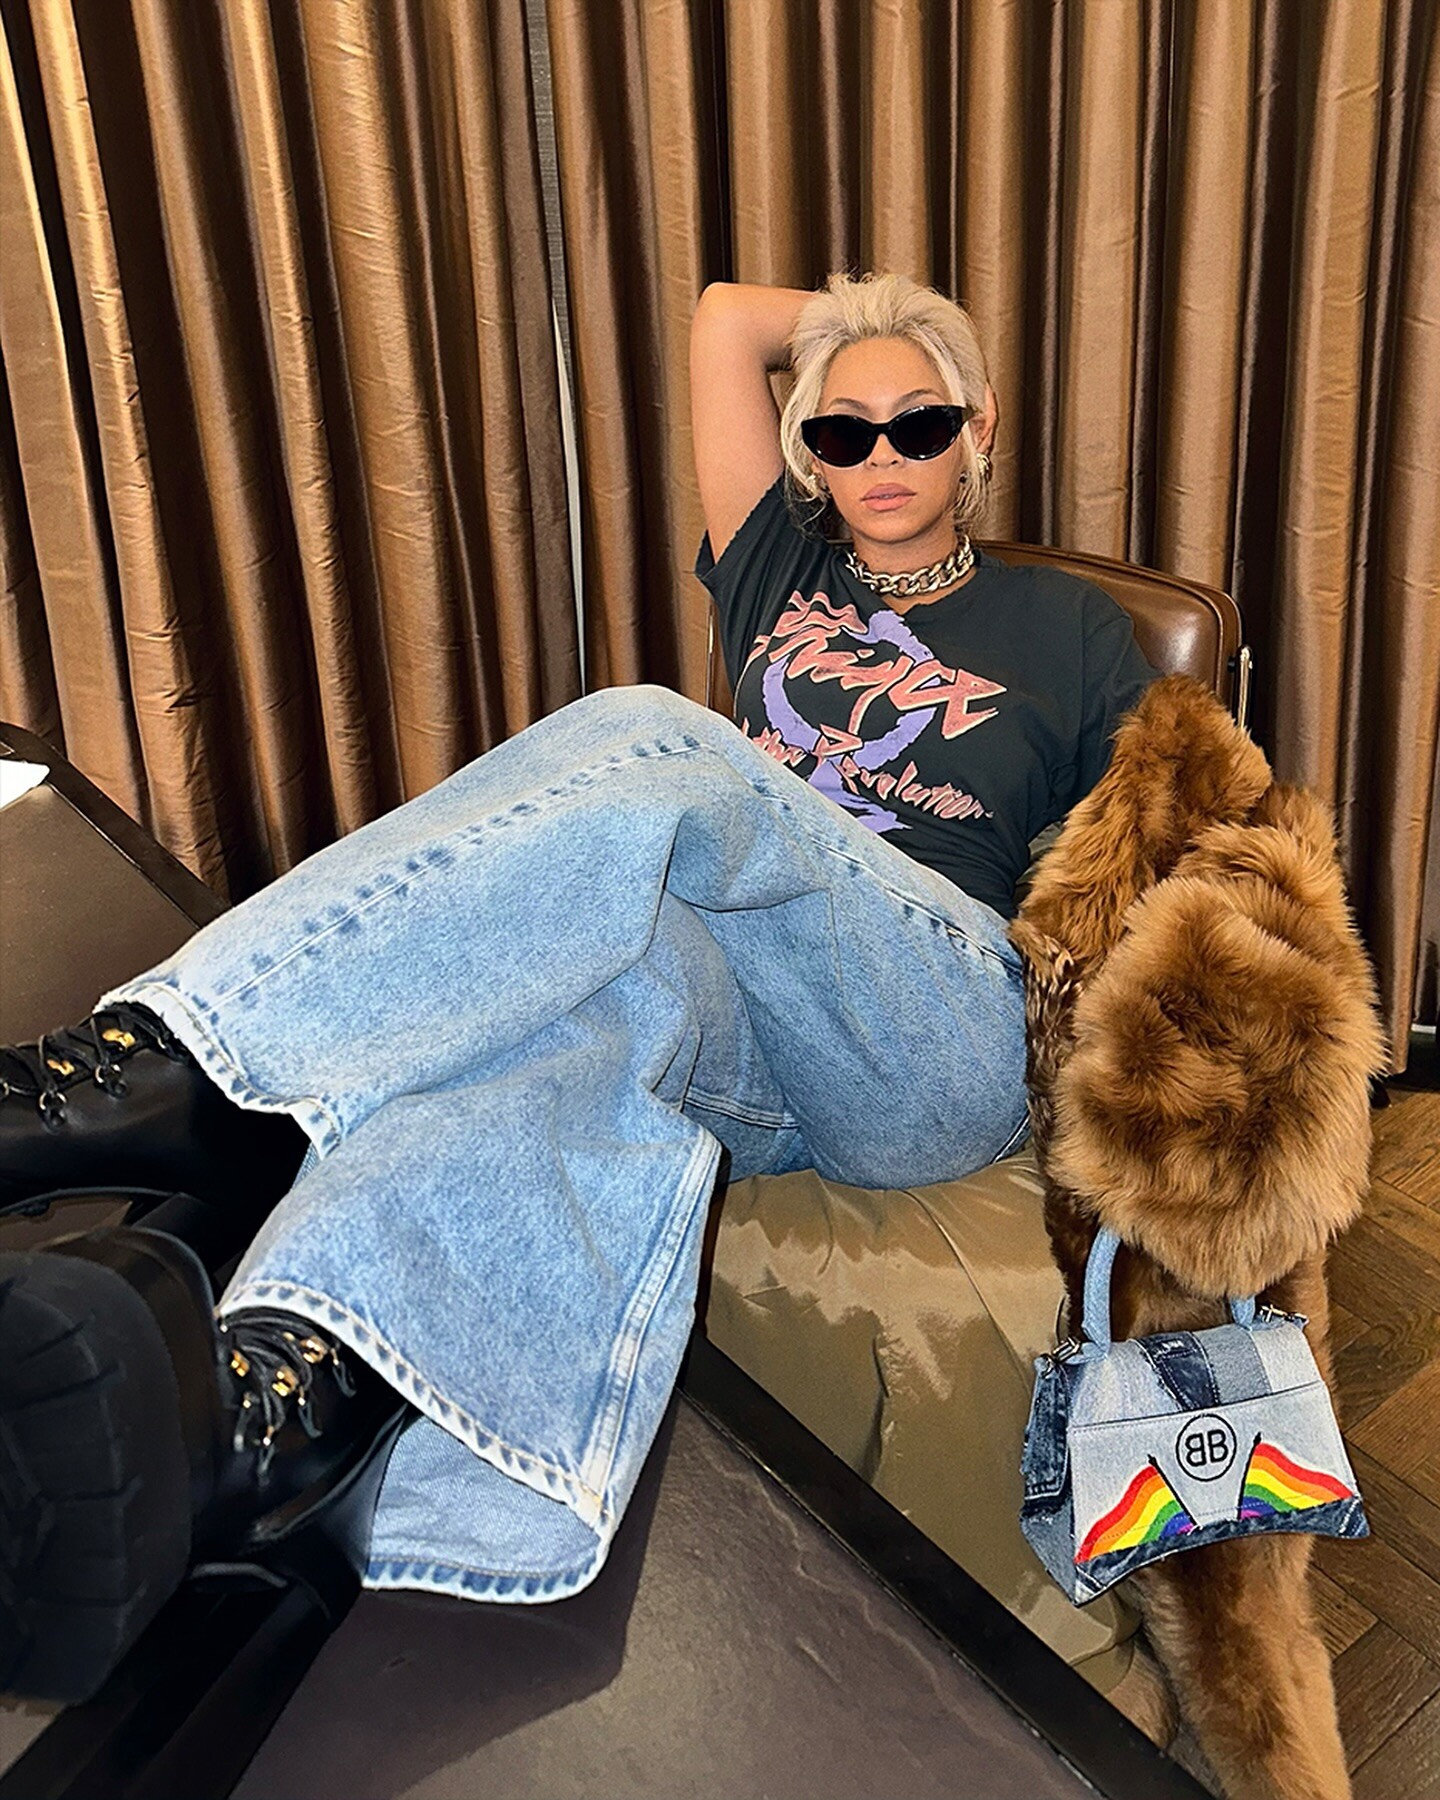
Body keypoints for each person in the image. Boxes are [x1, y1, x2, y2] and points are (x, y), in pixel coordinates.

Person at [0, 272, 1157, 1702]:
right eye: (841, 432)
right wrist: (871, 332)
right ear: (806, 454)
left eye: (919, 424)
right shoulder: (780, 571)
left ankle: (147, 1073)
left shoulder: (1071, 627)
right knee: (601, 1008)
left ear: (978, 430)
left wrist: (902, 316)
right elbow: (723, 317)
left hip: (934, 1016)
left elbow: (1168, 861)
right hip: (742, 999)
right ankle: (264, 1413)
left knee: (657, 738)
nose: (881, 457)